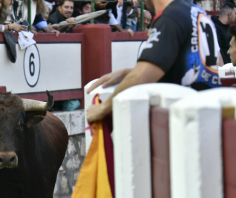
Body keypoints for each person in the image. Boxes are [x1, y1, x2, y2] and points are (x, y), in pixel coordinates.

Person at [86, 0, 222, 123]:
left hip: (186, 118)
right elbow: (218, 62)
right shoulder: (197, 11)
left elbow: (142, 77)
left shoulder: (171, 16)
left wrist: (104, 107)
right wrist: (128, 72)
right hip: (209, 111)